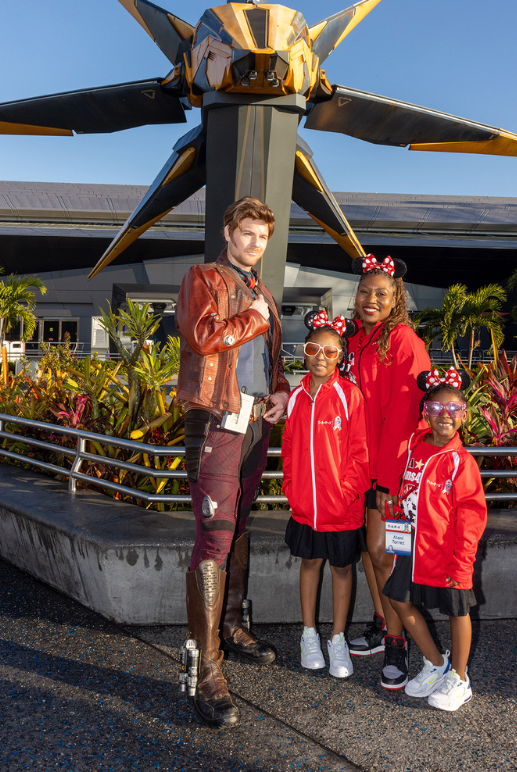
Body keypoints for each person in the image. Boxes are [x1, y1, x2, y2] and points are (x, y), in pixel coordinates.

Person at [176, 196, 291, 728]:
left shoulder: (262, 292)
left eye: (261, 237)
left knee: (240, 526)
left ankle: (229, 624)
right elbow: (202, 338)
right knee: (214, 539)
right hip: (218, 422)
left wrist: (281, 392)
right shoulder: (205, 277)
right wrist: (251, 318)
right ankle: (206, 669)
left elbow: (270, 361)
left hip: (255, 422)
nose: (253, 243)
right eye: (246, 233)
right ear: (228, 231)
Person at [338, 254, 433, 690]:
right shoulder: (357, 339)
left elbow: (405, 415)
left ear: (396, 298)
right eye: (364, 291)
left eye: (381, 293)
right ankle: (381, 623)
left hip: (388, 469)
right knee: (366, 552)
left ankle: (398, 643)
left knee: (383, 554)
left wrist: (388, 479)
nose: (370, 299)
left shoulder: (402, 341)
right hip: (356, 467)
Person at [387, 368, 488, 712]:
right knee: (398, 599)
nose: (444, 416)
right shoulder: (416, 445)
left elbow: (472, 516)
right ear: (425, 412)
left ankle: (460, 678)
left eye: (453, 410)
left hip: (447, 552)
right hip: (410, 545)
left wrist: (463, 562)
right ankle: (435, 663)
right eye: (435, 409)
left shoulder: (461, 462)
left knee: (457, 610)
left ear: (464, 414)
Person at [282, 311, 371, 679]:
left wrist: (345, 495)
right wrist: (292, 489)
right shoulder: (296, 397)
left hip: (342, 510)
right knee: (309, 564)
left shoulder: (350, 396)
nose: (321, 356)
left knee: (342, 570)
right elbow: (288, 448)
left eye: (330, 351)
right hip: (306, 509)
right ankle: (308, 635)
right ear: (304, 352)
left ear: (341, 356)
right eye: (314, 348)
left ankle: (337, 639)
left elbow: (360, 454)